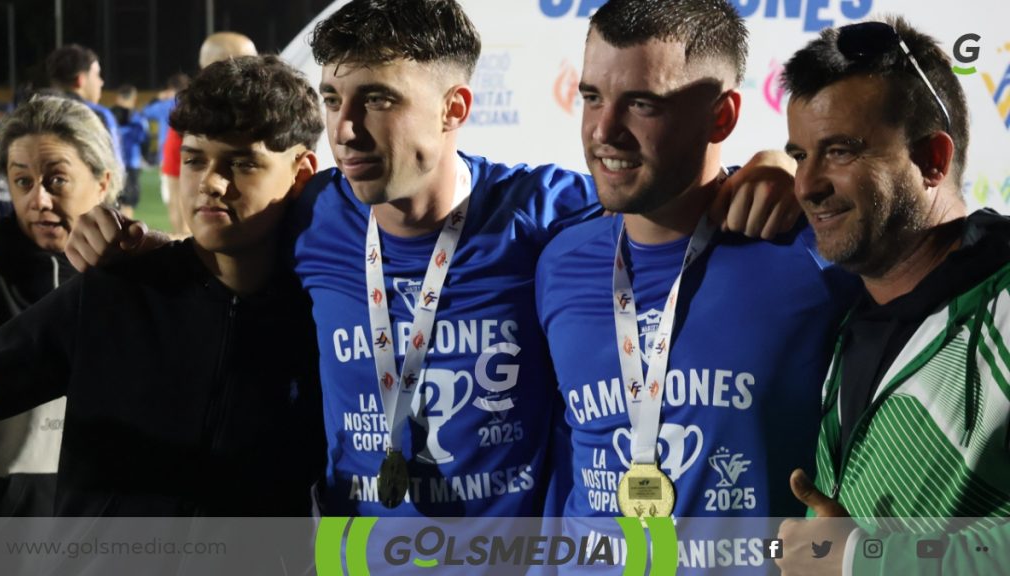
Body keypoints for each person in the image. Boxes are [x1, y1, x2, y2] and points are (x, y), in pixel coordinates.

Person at [66, 0, 800, 518]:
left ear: (454, 109)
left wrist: (766, 168)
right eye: (332, 98)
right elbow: (218, 244)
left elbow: (662, 198)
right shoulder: (312, 217)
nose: (344, 129)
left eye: (377, 99)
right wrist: (135, 241)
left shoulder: (546, 216)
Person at [535, 0, 856, 535]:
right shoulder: (556, 261)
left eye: (641, 104)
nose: (604, 131)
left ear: (722, 116)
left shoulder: (812, 256)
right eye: (592, 97)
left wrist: (784, 168)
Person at [0, 55, 325, 516]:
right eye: (194, 159)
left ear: (301, 173)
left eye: (242, 163)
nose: (210, 183)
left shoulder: (325, 317)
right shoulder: (114, 290)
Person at [776, 16, 1010, 575]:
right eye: (799, 155)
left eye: (840, 151)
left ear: (933, 159)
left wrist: (861, 560)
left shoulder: (1002, 306)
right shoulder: (849, 310)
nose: (806, 185)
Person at [0, 96, 123, 516]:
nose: (39, 200)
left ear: (102, 181)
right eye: (22, 181)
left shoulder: (139, 278)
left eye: (56, 180)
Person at [161, 32, 258, 236]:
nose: (258, 71)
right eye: (248, 63)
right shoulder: (188, 123)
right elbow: (178, 189)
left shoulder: (270, 115)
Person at [45, 44, 123, 167]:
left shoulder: (32, 111)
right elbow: (114, 171)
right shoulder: (97, 115)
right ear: (80, 80)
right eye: (97, 75)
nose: (101, 82)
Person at [111, 84, 149, 218]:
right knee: (128, 203)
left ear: (118, 98)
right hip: (131, 165)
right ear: (133, 99)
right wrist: (147, 157)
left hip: (112, 164)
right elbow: (144, 140)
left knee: (114, 201)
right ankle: (125, 236)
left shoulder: (108, 115)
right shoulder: (138, 118)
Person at [141, 73, 188, 166]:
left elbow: (145, 112)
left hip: (168, 150)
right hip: (188, 149)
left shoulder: (165, 106)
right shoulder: (192, 104)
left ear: (171, 88)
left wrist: (157, 98)